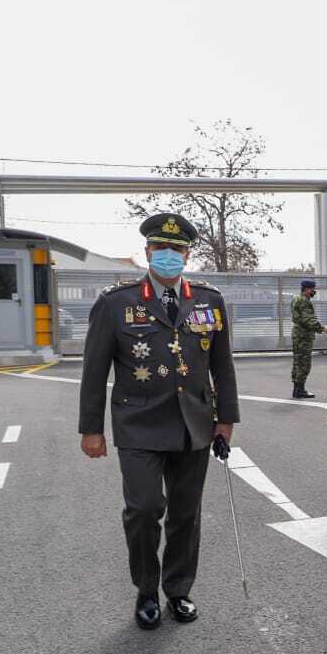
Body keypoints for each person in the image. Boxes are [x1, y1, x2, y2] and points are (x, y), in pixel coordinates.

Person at [78, 213, 239, 630]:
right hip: (139, 424)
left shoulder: (209, 301)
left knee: (187, 514)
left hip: (194, 425)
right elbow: (94, 371)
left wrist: (226, 420)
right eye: (160, 249)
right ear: (147, 252)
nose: (169, 256)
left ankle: (178, 589)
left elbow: (222, 366)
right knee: (144, 509)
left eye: (177, 250)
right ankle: (146, 590)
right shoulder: (116, 303)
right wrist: (91, 429)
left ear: (188, 253)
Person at [290, 279, 327, 399]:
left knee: (298, 362)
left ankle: (297, 389)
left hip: (298, 334)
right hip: (303, 336)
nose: (314, 292)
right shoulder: (303, 301)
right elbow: (308, 320)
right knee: (304, 363)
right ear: (307, 289)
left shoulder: (296, 299)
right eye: (312, 289)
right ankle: (300, 390)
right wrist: (323, 328)